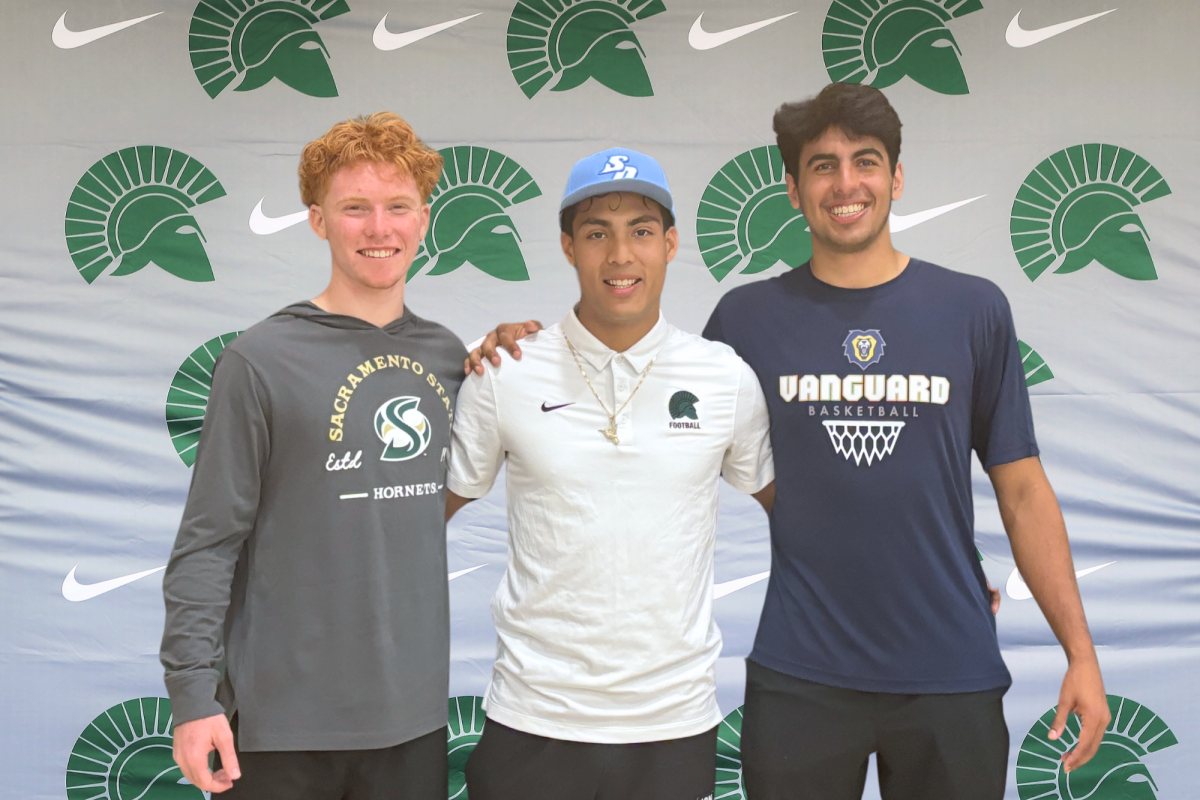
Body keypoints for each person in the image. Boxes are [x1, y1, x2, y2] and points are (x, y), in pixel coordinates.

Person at [468, 84, 1109, 800]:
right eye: (823, 165)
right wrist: (525, 346)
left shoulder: (973, 309)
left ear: (896, 178)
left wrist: (1080, 653)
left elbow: (1022, 489)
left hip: (949, 669)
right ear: (794, 188)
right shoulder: (746, 322)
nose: (846, 183)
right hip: (801, 677)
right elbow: (640, 404)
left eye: (865, 162)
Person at [445, 148, 775, 800]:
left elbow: (805, 518)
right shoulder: (506, 371)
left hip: (672, 724)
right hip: (533, 718)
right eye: (598, 233)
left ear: (672, 244)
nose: (620, 255)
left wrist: (935, 569)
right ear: (569, 247)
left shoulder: (725, 376)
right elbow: (409, 516)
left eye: (641, 231)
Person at [160, 112, 466, 798]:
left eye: (397, 207)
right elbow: (209, 543)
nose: (378, 228)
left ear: (424, 220)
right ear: (318, 221)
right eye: (354, 208)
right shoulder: (259, 360)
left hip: (412, 724)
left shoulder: (451, 358)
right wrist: (192, 697)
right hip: (280, 729)